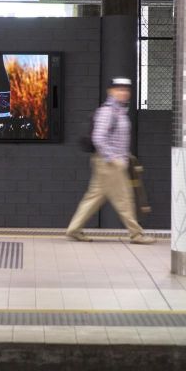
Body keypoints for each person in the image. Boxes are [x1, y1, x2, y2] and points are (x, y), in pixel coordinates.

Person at [66, 77, 156, 245]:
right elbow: (99, 138)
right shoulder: (108, 112)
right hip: (109, 163)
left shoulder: (119, 112)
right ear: (110, 91)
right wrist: (113, 158)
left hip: (109, 162)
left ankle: (74, 229)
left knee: (94, 197)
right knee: (124, 198)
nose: (123, 93)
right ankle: (136, 234)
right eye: (119, 89)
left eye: (126, 90)